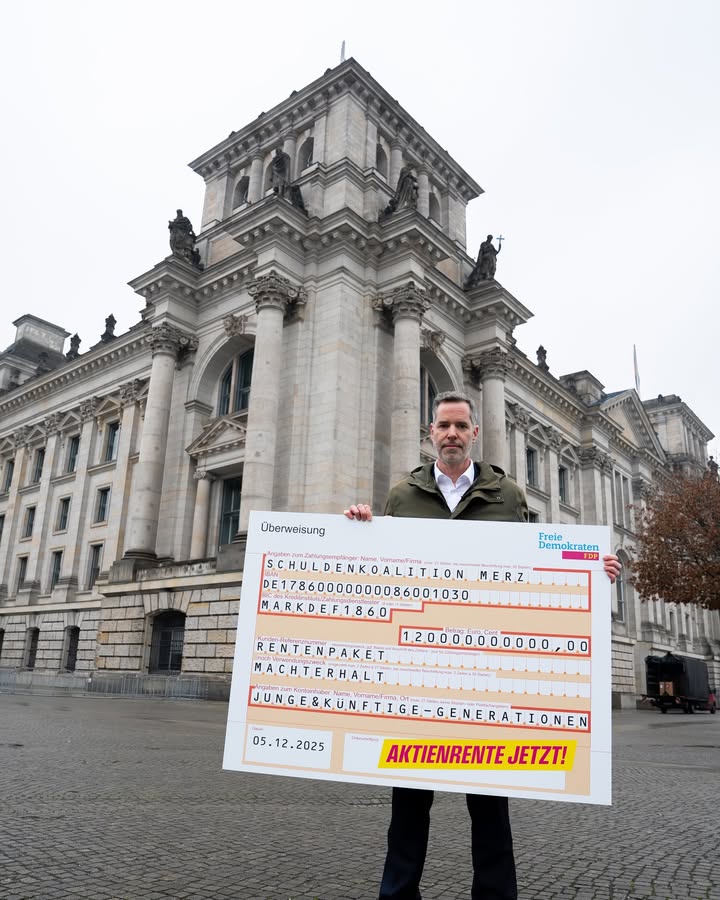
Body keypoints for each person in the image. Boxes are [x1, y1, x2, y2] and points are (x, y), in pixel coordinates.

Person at [345, 390, 621, 900]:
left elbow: (533, 567)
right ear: (431, 433)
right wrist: (357, 530)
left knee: (491, 807)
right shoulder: (401, 496)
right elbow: (382, 571)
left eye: (460, 426)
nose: (451, 434)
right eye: (443, 426)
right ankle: (397, 894)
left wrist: (589, 569)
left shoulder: (508, 495)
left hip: (486, 680)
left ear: (474, 433)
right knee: (408, 805)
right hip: (420, 678)